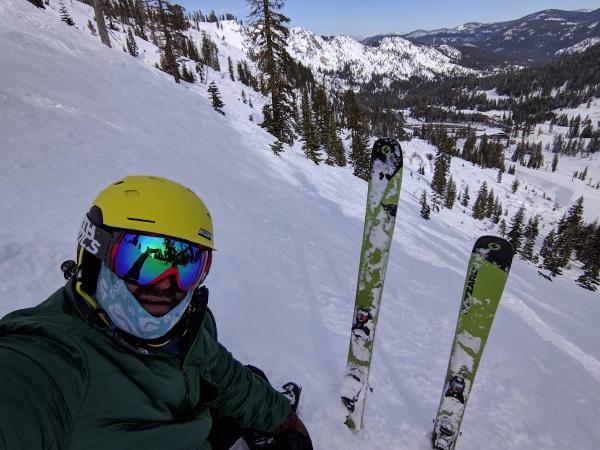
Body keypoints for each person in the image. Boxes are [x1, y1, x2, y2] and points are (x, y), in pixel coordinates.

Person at [0, 175, 313, 450]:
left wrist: (279, 418)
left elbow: (219, 369)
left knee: (251, 378)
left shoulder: (185, 325)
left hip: (192, 423)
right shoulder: (49, 361)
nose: (166, 284)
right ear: (95, 254)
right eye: (143, 259)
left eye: (187, 265)